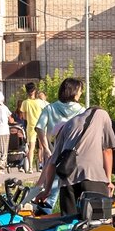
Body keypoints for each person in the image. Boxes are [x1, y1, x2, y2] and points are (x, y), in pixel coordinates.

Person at [34, 104, 115, 216]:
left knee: (69, 226)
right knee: (97, 224)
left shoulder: (68, 124)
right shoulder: (101, 114)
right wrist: (109, 181)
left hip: (67, 181)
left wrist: (47, 191)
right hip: (93, 178)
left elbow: (52, 162)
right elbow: (107, 150)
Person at [32, 78, 86, 212]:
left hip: (54, 152)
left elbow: (39, 127)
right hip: (74, 155)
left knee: (50, 189)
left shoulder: (50, 108)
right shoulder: (82, 111)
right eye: (79, 91)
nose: (81, 94)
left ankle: (44, 217)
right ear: (73, 92)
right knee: (72, 190)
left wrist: (45, 148)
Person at [18, 82, 48, 173]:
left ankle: (30, 168)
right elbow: (47, 111)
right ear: (35, 91)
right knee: (42, 147)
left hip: (30, 127)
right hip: (41, 126)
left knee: (31, 148)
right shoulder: (40, 102)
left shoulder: (25, 103)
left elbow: (24, 117)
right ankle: (42, 165)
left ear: (27, 92)